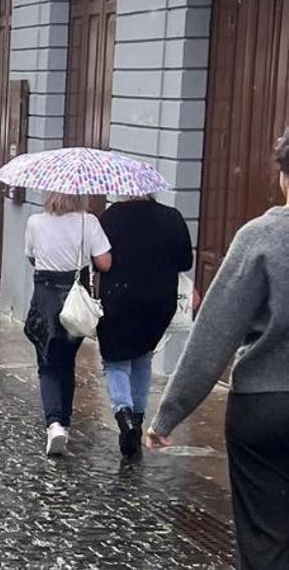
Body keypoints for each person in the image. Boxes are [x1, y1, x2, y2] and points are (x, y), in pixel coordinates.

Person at [146, 132, 289, 569]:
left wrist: (170, 413)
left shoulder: (263, 237)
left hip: (265, 406)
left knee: (265, 537)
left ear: (284, 176)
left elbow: (214, 335)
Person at [96, 195, 193, 456]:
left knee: (115, 360)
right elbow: (185, 262)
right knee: (143, 357)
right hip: (159, 303)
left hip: (119, 298)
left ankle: (123, 413)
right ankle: (136, 424)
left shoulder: (113, 216)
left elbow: (99, 258)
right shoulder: (171, 217)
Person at [23, 192, 112, 457]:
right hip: (76, 301)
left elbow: (31, 256)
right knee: (66, 362)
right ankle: (66, 422)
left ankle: (54, 423)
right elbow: (105, 262)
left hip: (45, 299)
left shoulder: (35, 222)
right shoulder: (89, 222)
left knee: (47, 363)